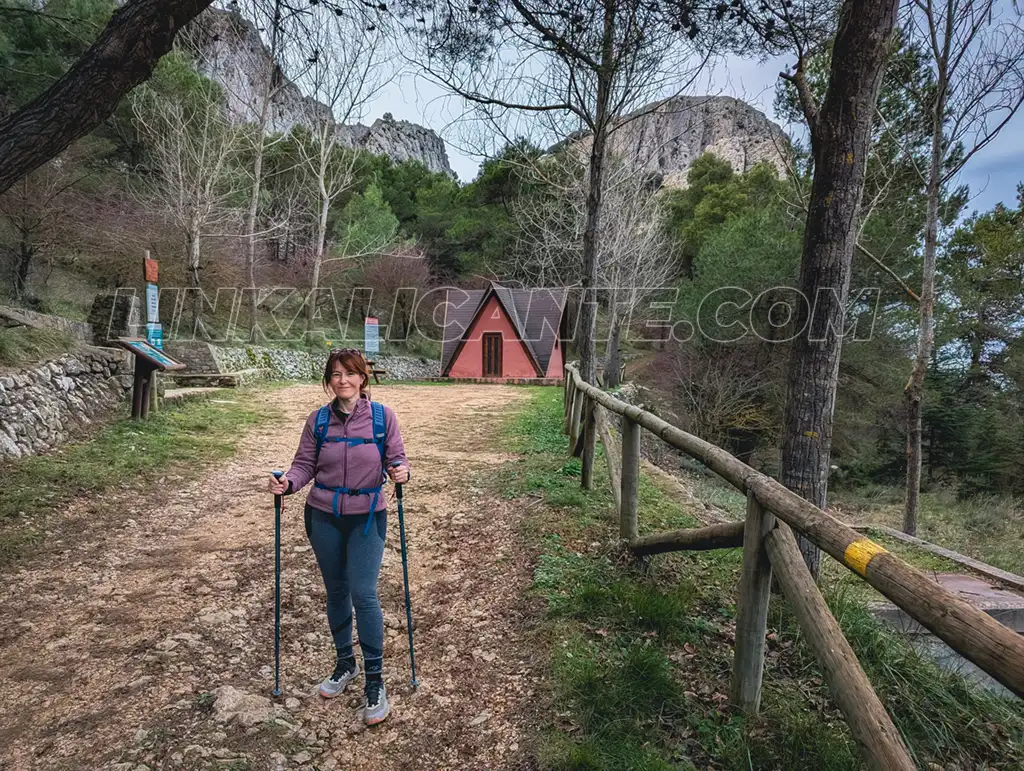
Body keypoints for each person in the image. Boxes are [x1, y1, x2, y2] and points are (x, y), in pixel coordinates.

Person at [269, 348, 410, 726]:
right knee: (336, 592)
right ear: (329, 381)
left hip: (367, 518)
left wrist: (401, 472)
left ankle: (375, 681)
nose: (342, 380)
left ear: (363, 378)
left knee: (363, 594)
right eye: (335, 374)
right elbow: (303, 465)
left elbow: (397, 457)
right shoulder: (318, 420)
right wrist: (288, 484)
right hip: (323, 517)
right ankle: (345, 663)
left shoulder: (383, 418)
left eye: (350, 374)